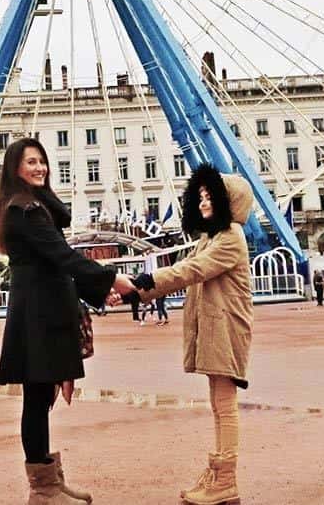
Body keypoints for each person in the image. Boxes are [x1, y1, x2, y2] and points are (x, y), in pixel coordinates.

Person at [0, 137, 134, 504]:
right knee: (37, 399)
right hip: (39, 313)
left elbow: (56, 263)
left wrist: (98, 292)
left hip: (42, 306)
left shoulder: (31, 207)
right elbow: (62, 256)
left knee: (40, 399)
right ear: (15, 168)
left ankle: (49, 482)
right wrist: (110, 279)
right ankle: (42, 489)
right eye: (30, 162)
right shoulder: (24, 210)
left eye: (42, 161)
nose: (39, 168)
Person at [133, 163, 254, 505]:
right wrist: (137, 291)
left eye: (209, 196)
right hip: (216, 326)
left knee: (225, 405)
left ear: (228, 200)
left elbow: (191, 270)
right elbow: (187, 269)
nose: (202, 203)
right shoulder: (210, 237)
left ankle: (226, 479)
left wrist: (145, 283)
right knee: (219, 404)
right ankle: (219, 474)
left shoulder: (230, 236)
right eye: (199, 197)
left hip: (226, 326)